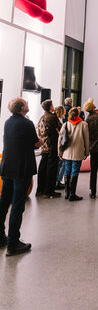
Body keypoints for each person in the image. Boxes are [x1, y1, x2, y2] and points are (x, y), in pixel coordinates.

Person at [0, 98, 41, 256]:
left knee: (4, 201)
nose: (28, 105)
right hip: (21, 169)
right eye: (26, 104)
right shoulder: (27, 123)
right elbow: (34, 143)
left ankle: (1, 237)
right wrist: (40, 142)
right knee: (17, 205)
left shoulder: (8, 122)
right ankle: (13, 243)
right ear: (22, 108)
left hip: (7, 166)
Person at [58, 107, 89, 201]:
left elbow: (60, 140)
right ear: (78, 114)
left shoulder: (65, 124)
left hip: (67, 152)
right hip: (78, 152)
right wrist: (87, 152)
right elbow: (86, 140)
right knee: (74, 172)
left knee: (67, 171)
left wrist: (59, 152)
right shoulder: (84, 124)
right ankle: (72, 194)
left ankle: (67, 194)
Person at [36, 99, 62, 198]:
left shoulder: (42, 117)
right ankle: (49, 191)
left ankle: (40, 190)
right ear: (50, 107)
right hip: (52, 145)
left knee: (42, 167)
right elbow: (61, 128)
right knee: (51, 168)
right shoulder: (52, 117)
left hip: (44, 145)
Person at [54, 105, 66, 190]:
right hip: (58, 145)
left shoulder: (56, 120)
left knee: (59, 164)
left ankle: (57, 180)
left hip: (56, 144)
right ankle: (58, 181)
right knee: (61, 163)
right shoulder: (58, 121)